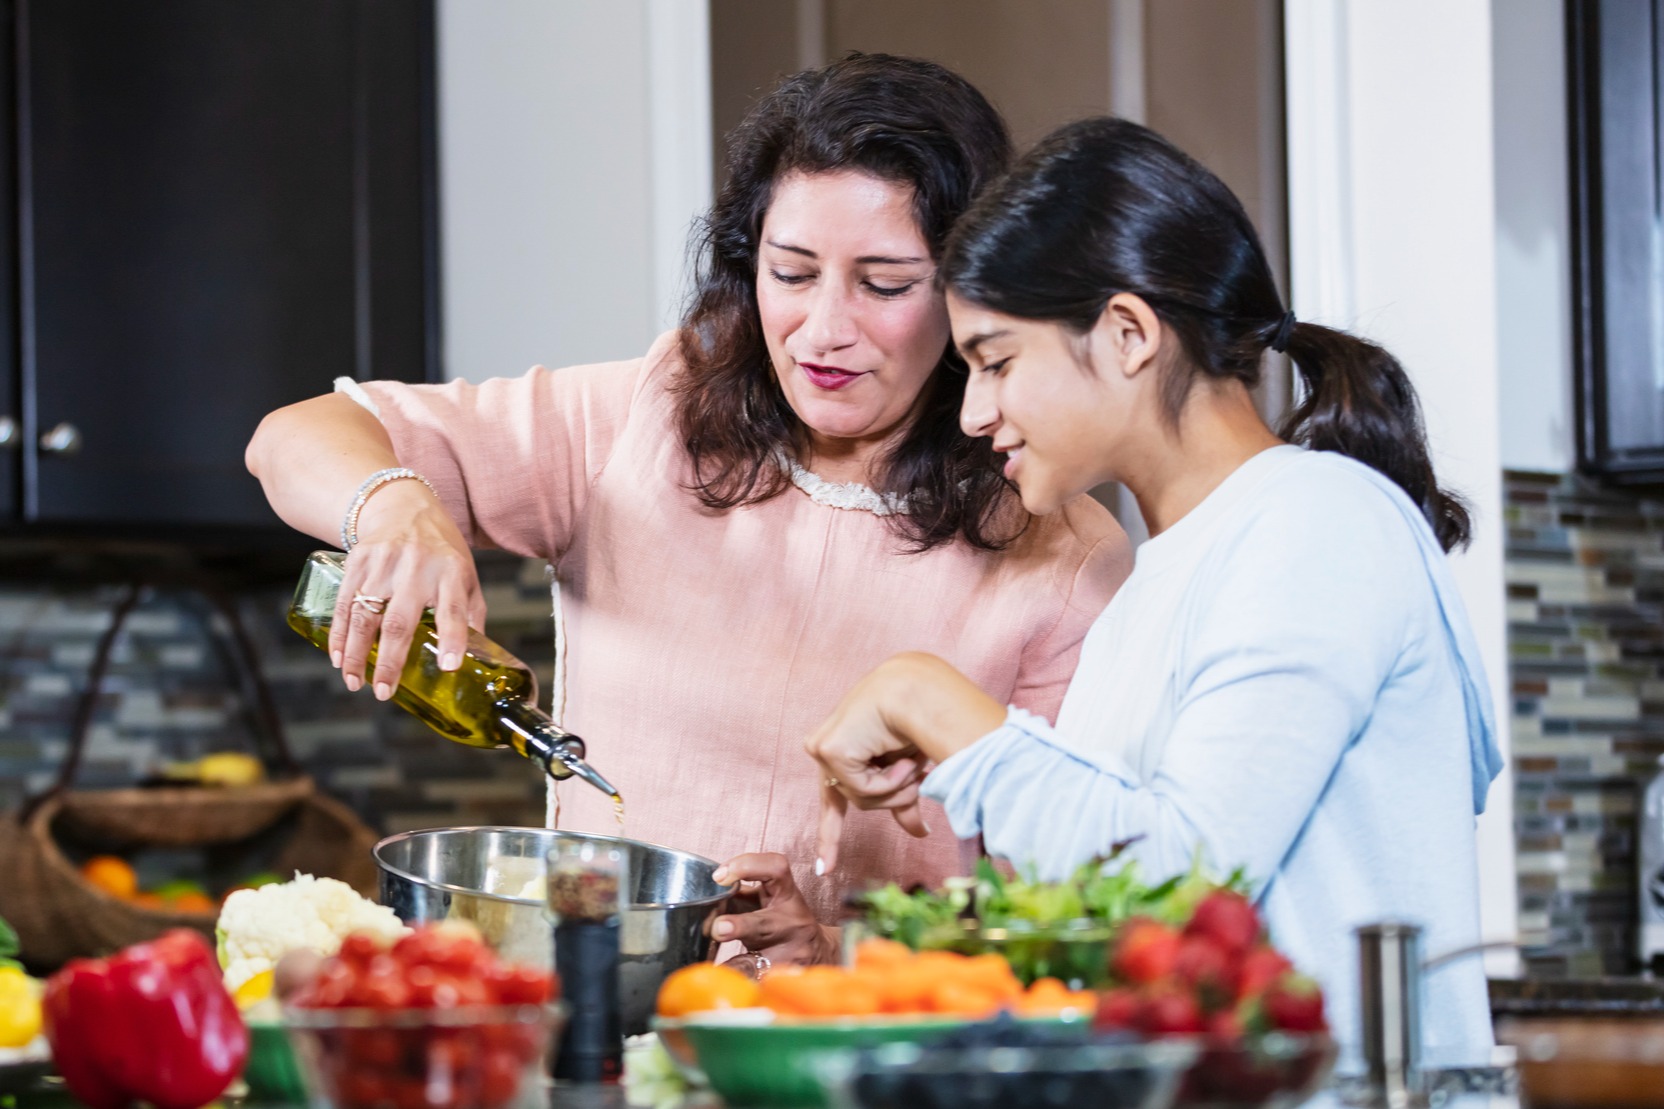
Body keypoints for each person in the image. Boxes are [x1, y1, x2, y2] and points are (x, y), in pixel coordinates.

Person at [245, 55, 1130, 968]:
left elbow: (1061, 920)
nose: (825, 330)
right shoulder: (649, 416)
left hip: (865, 1036)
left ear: (970, 291)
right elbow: (290, 438)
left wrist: (835, 947)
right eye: (792, 272)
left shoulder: (1061, 555)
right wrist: (395, 505)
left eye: (885, 284)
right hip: (606, 1025)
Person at [805, 117, 1503, 1065]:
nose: (973, 412)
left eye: (997, 361)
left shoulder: (1317, 522)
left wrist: (926, 695)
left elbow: (1180, 884)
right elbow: (1125, 920)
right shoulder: (1157, 582)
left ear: (1129, 334)